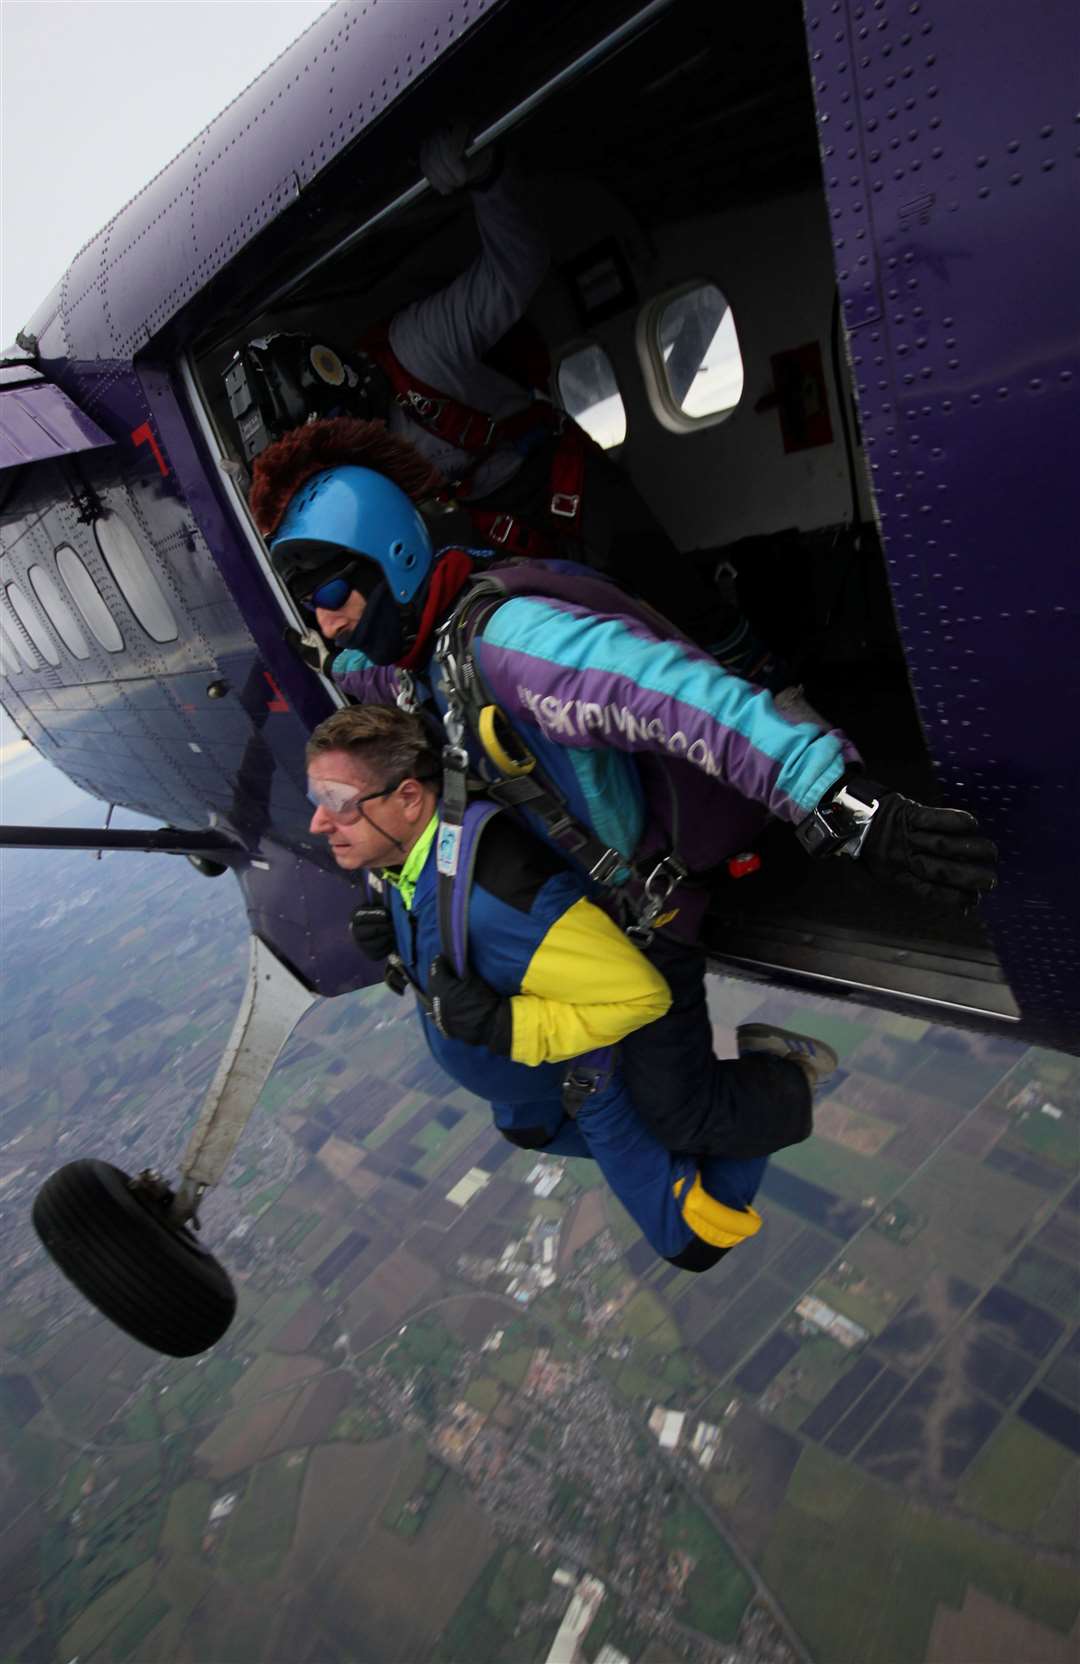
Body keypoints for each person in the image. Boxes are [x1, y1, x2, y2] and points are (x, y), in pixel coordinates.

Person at [253, 432, 998, 1160]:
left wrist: (840, 803)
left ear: (397, 558)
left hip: (649, 906)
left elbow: (677, 696)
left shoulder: (515, 645)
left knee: (681, 1118)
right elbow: (376, 676)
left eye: (330, 591)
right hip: (584, 902)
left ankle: (790, 1071)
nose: (325, 616)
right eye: (307, 602)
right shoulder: (423, 657)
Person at [233, 121, 780, 682]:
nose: (345, 457)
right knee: (564, 630)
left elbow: (514, 270)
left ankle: (763, 681)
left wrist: (488, 177)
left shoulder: (416, 346)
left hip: (555, 468)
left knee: (667, 585)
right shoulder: (352, 481)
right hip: (485, 515)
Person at [305, 703, 836, 1271]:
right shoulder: (405, 858)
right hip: (532, 1094)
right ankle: (719, 1109)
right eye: (318, 803)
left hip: (589, 1076)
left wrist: (503, 1028)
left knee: (693, 1237)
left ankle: (782, 1075)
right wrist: (397, 942)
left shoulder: (497, 903)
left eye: (337, 803)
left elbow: (642, 997)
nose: (317, 823)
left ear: (409, 797)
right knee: (572, 1133)